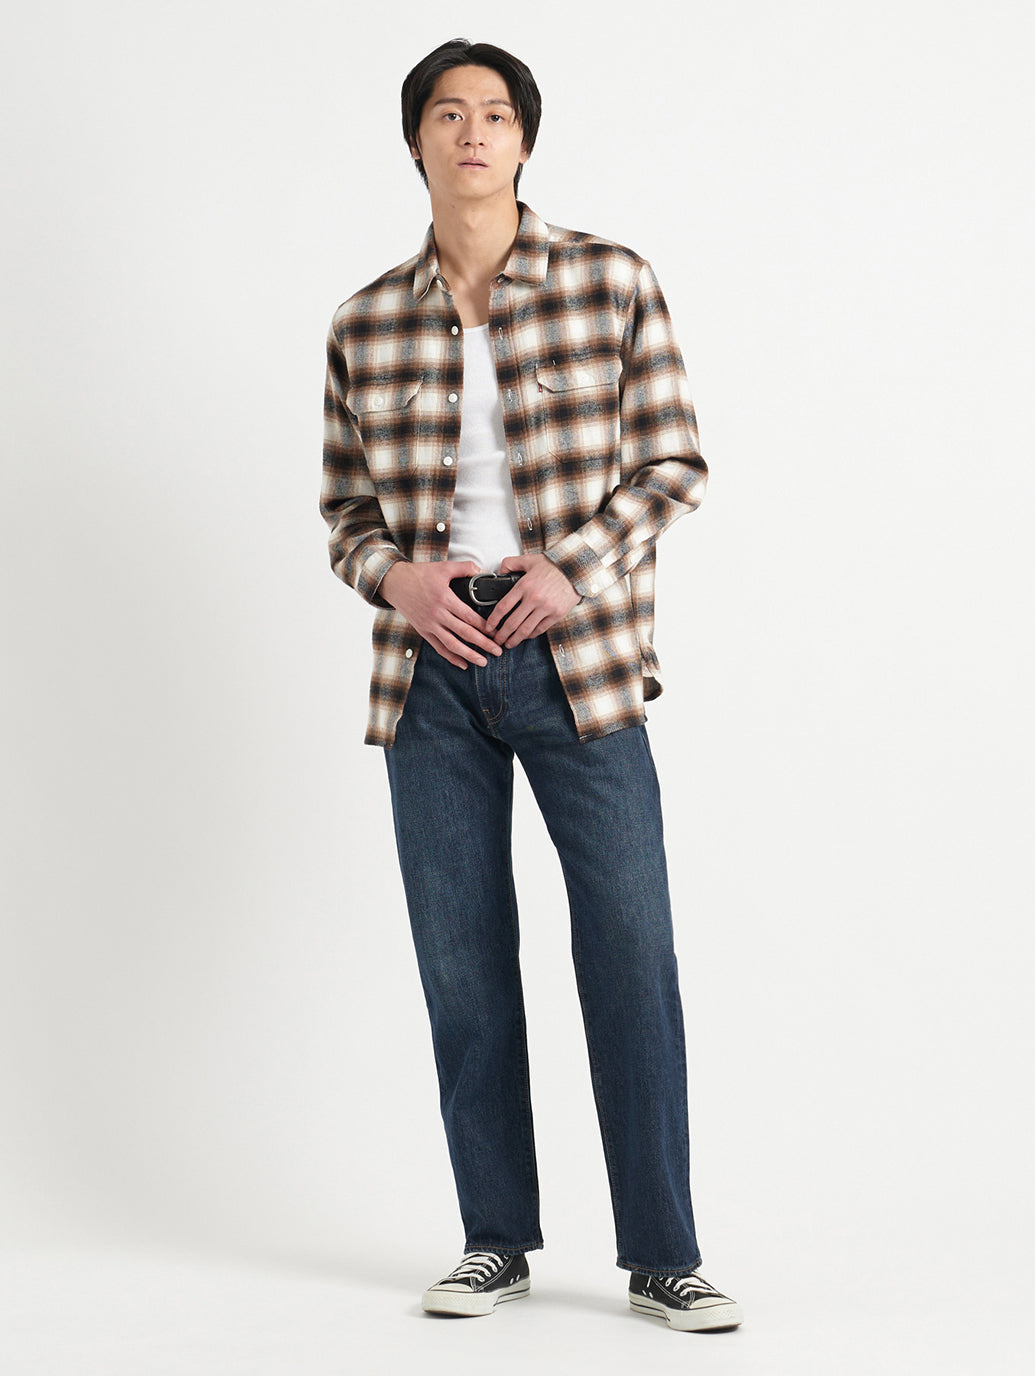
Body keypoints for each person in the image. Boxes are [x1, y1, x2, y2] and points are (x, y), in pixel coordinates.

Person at [320, 38, 742, 1333]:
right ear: (415, 141)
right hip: (430, 672)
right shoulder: (364, 321)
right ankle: (492, 1238)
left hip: (580, 662)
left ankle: (663, 1254)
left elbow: (674, 465)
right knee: (463, 966)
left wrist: (574, 570)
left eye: (495, 114)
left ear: (524, 140)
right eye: (448, 114)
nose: (472, 133)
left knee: (630, 952)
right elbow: (346, 515)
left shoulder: (611, 281)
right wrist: (397, 580)